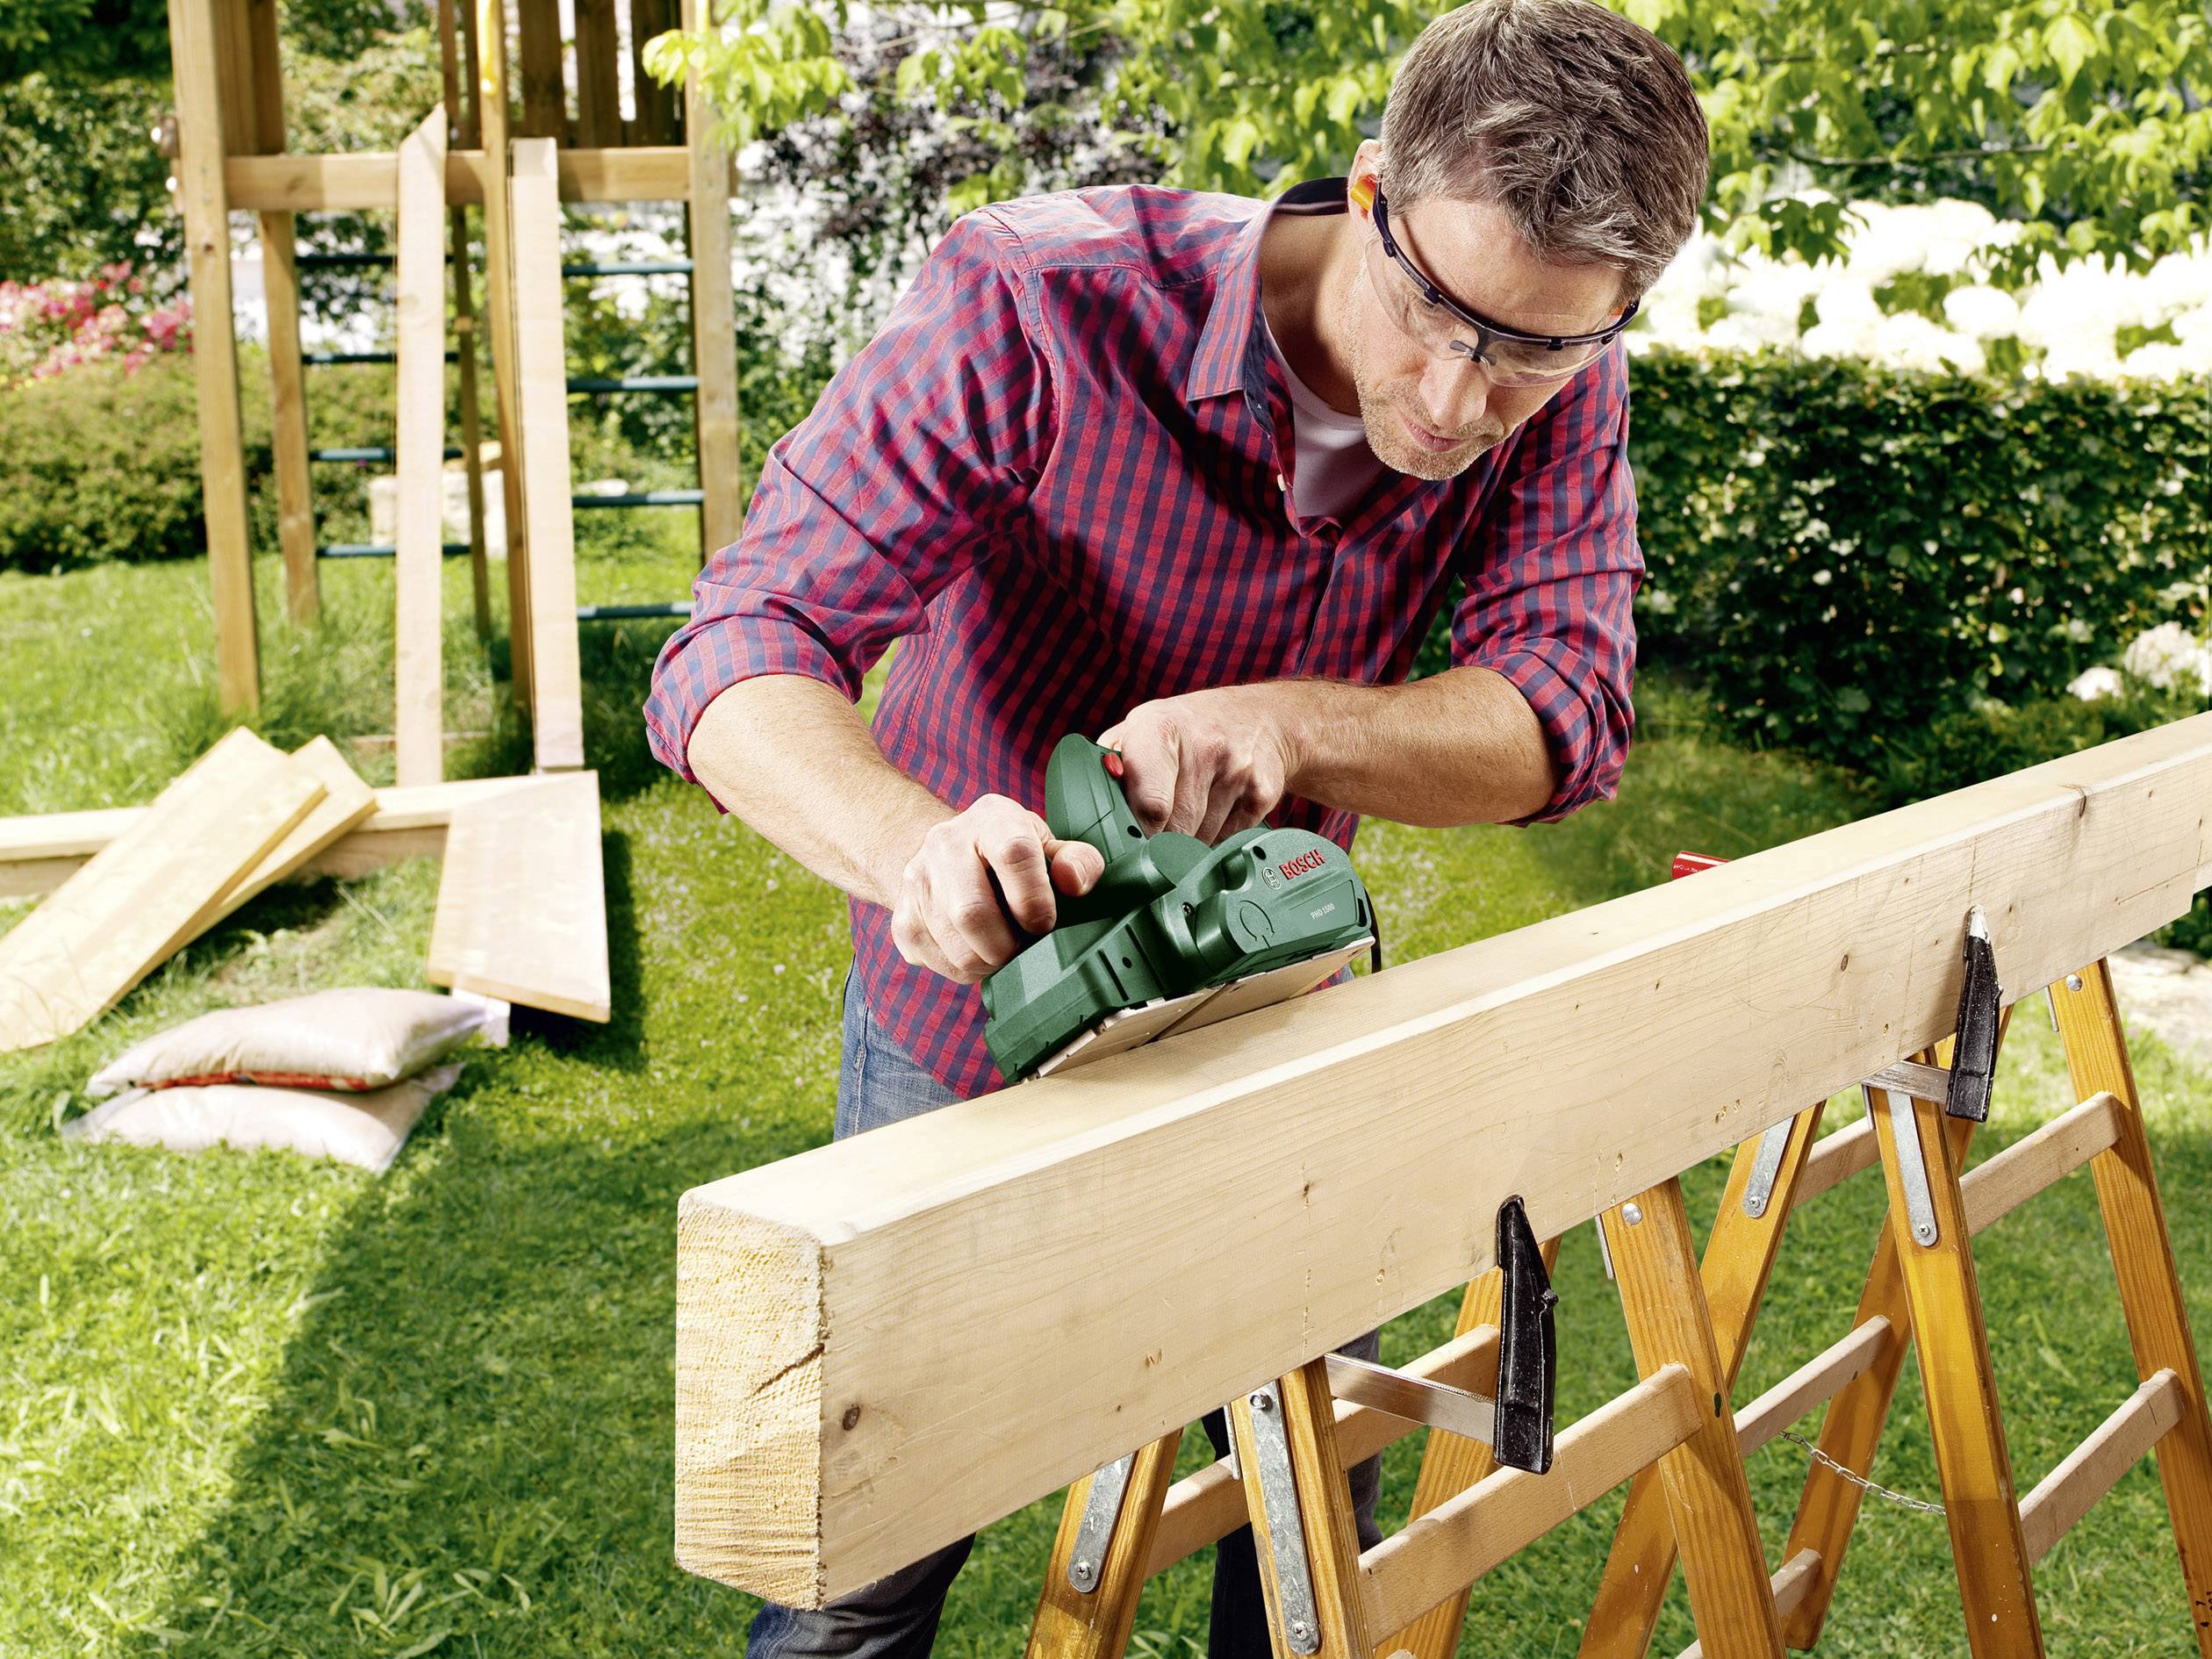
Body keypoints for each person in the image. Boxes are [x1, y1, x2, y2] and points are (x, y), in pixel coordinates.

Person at [645, 0, 1708, 1649]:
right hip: (976, 1013)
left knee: (1303, 1548)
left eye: (1535, 349)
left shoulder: (1560, 378)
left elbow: (1564, 710)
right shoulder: (1039, 300)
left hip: (1271, 1012)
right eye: (1438, 317)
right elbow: (737, 646)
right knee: (862, 1555)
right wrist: (915, 846)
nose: (1458, 394)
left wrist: (1287, 721)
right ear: (1371, 196)